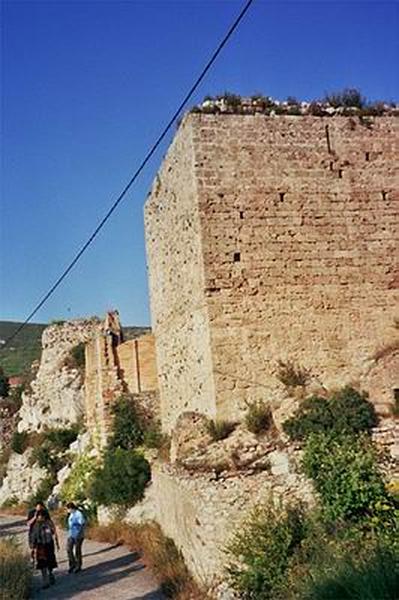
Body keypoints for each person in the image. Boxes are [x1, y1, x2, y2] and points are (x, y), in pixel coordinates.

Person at [31, 509, 59, 589]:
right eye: (38, 516)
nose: (39, 518)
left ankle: (50, 574)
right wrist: (33, 547)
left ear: (44, 516)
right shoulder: (36, 525)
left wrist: (57, 543)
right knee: (42, 564)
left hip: (49, 545)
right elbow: (33, 536)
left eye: (40, 516)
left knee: (50, 562)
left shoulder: (49, 523)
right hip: (40, 547)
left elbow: (54, 533)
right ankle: (45, 581)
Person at [66, 502, 86, 573]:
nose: (67, 510)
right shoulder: (71, 514)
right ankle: (72, 564)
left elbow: (82, 524)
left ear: (71, 508)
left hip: (78, 535)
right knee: (69, 549)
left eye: (68, 509)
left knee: (77, 550)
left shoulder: (78, 514)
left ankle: (78, 565)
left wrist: (79, 533)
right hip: (71, 534)